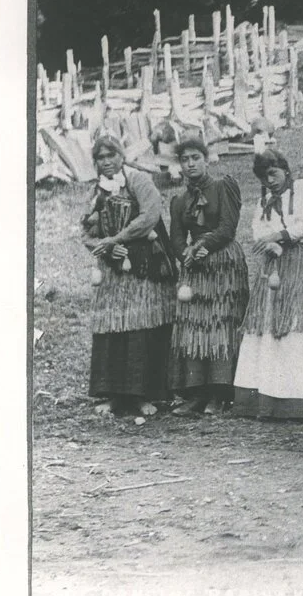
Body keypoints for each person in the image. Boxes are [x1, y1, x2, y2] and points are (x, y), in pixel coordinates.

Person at [233, 149, 303, 420]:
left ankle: (299, 402)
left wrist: (281, 235)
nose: (270, 181)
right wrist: (271, 243)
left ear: (285, 169)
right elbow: (257, 228)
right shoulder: (265, 199)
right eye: (265, 177)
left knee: (300, 325)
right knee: (271, 327)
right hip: (275, 265)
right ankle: (267, 400)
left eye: (274, 173)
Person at [81, 134, 178, 416]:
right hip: (113, 269)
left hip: (144, 265)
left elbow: (149, 216)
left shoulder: (138, 181)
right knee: (112, 326)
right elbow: (86, 233)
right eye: (101, 157)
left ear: (122, 156)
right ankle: (113, 396)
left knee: (140, 324)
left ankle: (143, 396)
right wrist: (105, 249)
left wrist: (117, 239)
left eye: (112, 155)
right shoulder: (97, 192)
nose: (107, 162)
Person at [167, 137, 249, 416]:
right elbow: (176, 239)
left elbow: (228, 227)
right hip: (195, 270)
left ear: (206, 159)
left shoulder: (223, 186)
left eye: (195, 158)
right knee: (193, 328)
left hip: (223, 263)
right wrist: (186, 255)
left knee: (220, 325)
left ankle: (220, 394)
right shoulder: (179, 201)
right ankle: (195, 394)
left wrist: (204, 246)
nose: (190, 164)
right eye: (185, 160)